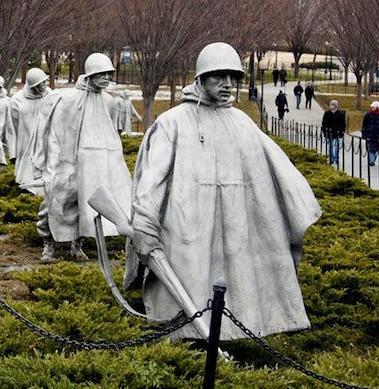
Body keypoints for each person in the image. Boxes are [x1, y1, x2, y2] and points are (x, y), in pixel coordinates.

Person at [125, 42, 322, 340]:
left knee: (237, 284)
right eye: (219, 76)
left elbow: (275, 176)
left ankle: (241, 330)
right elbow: (152, 181)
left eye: (233, 77)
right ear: (201, 79)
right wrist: (144, 222)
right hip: (188, 226)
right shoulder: (172, 123)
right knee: (192, 279)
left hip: (236, 225)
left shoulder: (242, 122)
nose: (228, 84)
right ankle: (186, 336)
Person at [33, 53, 131, 262]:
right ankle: (47, 245)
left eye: (108, 74)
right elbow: (53, 131)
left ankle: (77, 246)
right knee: (56, 201)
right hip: (67, 161)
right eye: (101, 74)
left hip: (95, 164)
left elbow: (113, 133)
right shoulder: (67, 99)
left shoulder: (109, 102)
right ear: (90, 75)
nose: (106, 78)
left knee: (88, 205)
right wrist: (50, 162)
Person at [6, 67, 52, 196]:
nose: (43, 86)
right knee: (27, 171)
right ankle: (28, 192)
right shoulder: (17, 101)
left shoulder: (50, 95)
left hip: (46, 140)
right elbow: (11, 128)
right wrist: (13, 153)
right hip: (26, 143)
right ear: (32, 85)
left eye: (44, 82)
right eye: (39, 84)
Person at [361, 100, 379, 166]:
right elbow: (364, 124)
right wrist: (363, 132)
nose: (372, 108)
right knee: (370, 147)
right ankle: (371, 160)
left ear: (377, 108)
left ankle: (373, 158)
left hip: (377, 134)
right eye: (371, 107)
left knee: (376, 148)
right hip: (369, 133)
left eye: (373, 107)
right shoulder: (368, 114)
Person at [321, 99, 346, 165]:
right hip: (329, 132)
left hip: (337, 132)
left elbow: (343, 124)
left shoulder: (340, 114)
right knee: (330, 146)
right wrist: (324, 131)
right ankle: (331, 158)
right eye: (330, 105)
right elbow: (324, 123)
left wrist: (342, 131)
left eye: (332, 105)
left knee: (337, 146)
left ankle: (336, 158)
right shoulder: (327, 113)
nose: (331, 106)